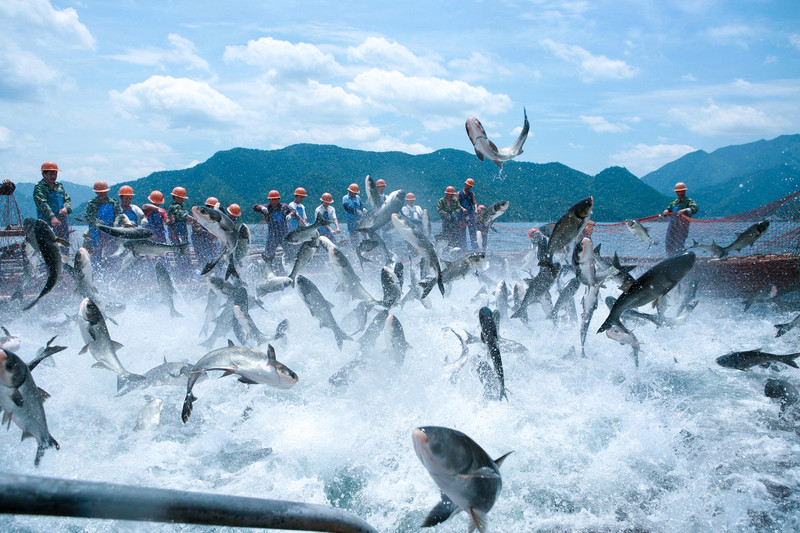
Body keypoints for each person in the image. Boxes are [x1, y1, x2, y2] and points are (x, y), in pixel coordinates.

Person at [253, 190, 299, 272]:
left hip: (284, 235)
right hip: (272, 235)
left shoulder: (284, 207)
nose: (273, 201)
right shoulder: (267, 207)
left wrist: (290, 215)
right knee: (268, 255)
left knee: (291, 253)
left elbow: (294, 211)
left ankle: (293, 270)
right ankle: (267, 272)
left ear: (278, 199)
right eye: (271, 199)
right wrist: (262, 208)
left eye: (275, 199)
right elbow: (255, 207)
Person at [84, 180, 122, 265]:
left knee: (112, 251)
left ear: (107, 191)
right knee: (96, 251)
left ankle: (113, 270)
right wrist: (95, 222)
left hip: (111, 230)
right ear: (96, 192)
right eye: (99, 193)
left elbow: (119, 214)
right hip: (96, 231)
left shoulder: (113, 202)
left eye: (104, 192)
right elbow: (87, 216)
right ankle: (96, 271)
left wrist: (116, 222)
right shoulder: (92, 203)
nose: (102, 195)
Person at [33, 161, 71, 242]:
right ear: (44, 174)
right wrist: (52, 217)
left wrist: (66, 208)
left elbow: (67, 199)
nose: (53, 176)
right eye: (50, 174)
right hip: (46, 221)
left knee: (64, 243)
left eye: (55, 174)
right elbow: (42, 203)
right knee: (48, 245)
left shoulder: (59, 186)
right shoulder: (39, 187)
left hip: (62, 221)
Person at [661, 181, 698, 255]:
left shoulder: (689, 201)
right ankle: (669, 257)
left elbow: (695, 209)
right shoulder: (674, 202)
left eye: (682, 191)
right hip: (672, 226)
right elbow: (668, 208)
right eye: (678, 192)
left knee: (679, 243)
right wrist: (666, 211)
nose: (680, 193)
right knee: (669, 242)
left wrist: (685, 210)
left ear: (684, 191)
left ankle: (679, 257)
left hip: (682, 226)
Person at [192, 196, 221, 268]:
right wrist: (208, 233)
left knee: (214, 256)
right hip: (200, 240)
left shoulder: (215, 217)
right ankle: (205, 275)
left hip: (210, 240)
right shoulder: (200, 215)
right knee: (203, 258)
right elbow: (195, 228)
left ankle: (214, 272)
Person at [458, 178, 478, 250]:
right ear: (465, 184)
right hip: (461, 215)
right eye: (468, 185)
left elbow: (475, 203)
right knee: (462, 232)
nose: (469, 187)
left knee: (472, 231)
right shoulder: (459, 193)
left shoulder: (472, 194)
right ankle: (464, 249)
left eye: (470, 186)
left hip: (470, 214)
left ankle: (474, 248)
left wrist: (476, 209)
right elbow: (456, 203)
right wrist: (462, 208)